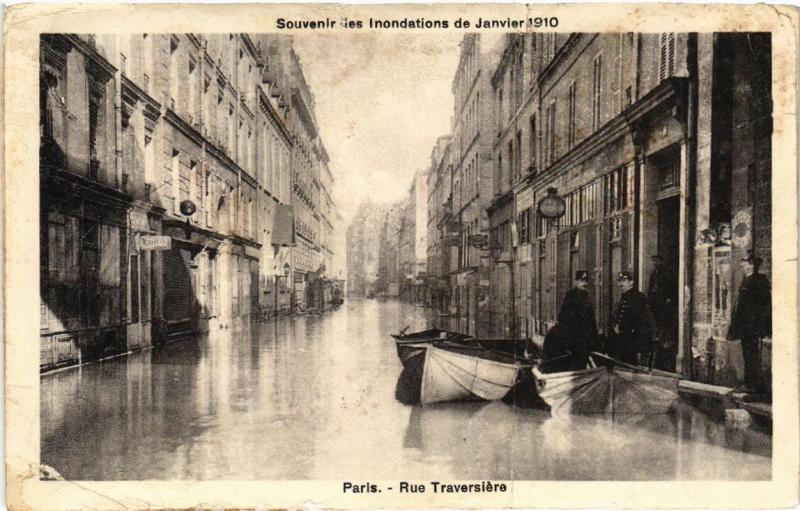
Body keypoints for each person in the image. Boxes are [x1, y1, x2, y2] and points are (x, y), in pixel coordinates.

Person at [727, 251, 771, 394]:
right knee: (748, 354)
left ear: (751, 264)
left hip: (753, 326)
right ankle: (750, 383)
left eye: (744, 261)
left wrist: (761, 325)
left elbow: (763, 305)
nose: (741, 263)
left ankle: (755, 386)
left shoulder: (758, 281)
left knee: (752, 356)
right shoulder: (748, 279)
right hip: (746, 326)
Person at [553, 270, 598, 370]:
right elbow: (563, 318)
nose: (584, 284)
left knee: (583, 363)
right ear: (576, 281)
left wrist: (594, 339)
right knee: (574, 364)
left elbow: (591, 319)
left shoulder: (587, 296)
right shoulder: (570, 296)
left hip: (585, 339)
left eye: (586, 281)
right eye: (582, 281)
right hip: (573, 339)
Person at [611, 271, 655, 366]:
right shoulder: (624, 296)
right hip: (623, 340)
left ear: (631, 282)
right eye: (619, 281)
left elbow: (644, 323)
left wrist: (640, 348)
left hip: (633, 341)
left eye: (624, 281)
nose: (620, 284)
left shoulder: (638, 297)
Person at [648, 255, 677, 370]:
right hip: (656, 305)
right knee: (657, 332)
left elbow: (671, 288)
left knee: (664, 332)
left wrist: (668, 298)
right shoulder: (653, 274)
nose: (655, 263)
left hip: (664, 305)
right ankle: (657, 360)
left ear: (661, 261)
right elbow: (651, 289)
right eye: (653, 261)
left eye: (657, 261)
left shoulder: (667, 274)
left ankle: (664, 362)